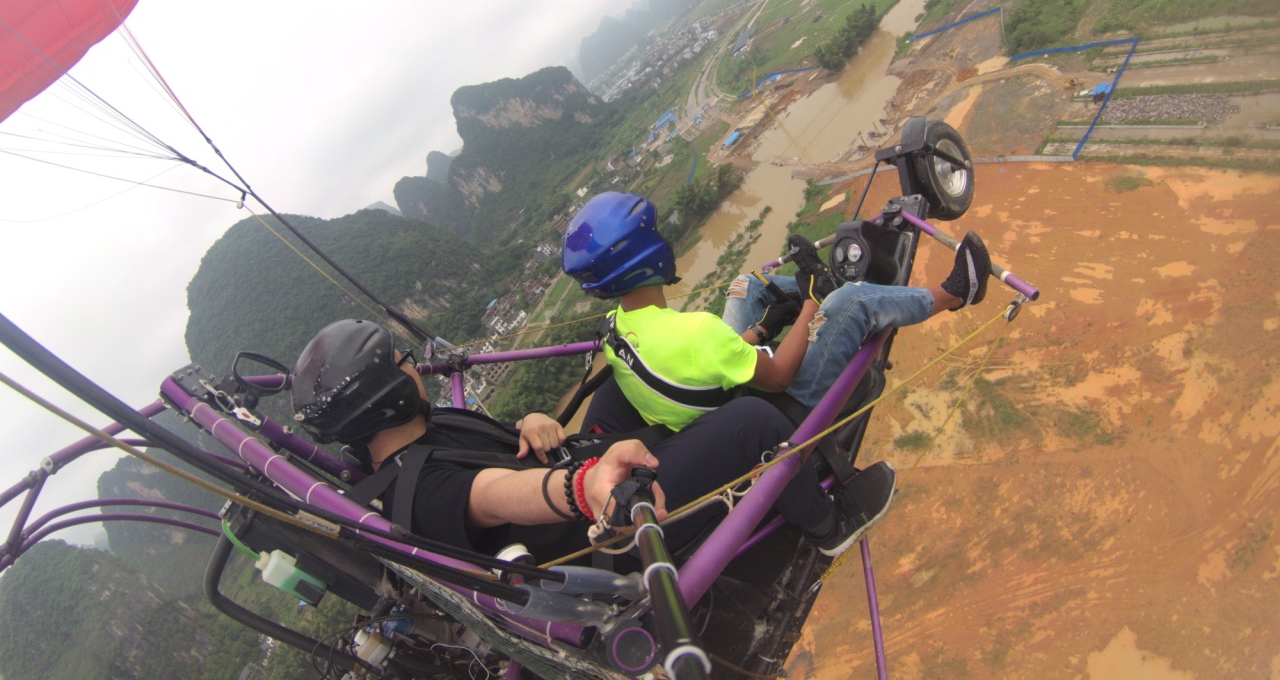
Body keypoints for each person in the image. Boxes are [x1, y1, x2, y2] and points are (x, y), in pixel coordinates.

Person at [290, 318, 895, 565]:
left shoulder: (421, 428)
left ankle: (715, 402)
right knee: (754, 423)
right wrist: (586, 483)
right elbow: (499, 493)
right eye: (402, 363)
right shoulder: (423, 493)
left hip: (572, 469)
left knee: (619, 387)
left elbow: (499, 457)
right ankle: (829, 526)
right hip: (606, 531)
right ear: (384, 394)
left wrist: (529, 419)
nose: (414, 367)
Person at [560, 191, 992, 435]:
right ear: (649, 256)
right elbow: (780, 376)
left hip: (717, 407)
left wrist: (767, 326)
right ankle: (956, 293)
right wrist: (810, 303)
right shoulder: (695, 332)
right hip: (776, 413)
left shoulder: (616, 331)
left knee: (747, 285)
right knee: (850, 302)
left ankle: (826, 286)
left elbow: (702, 361)